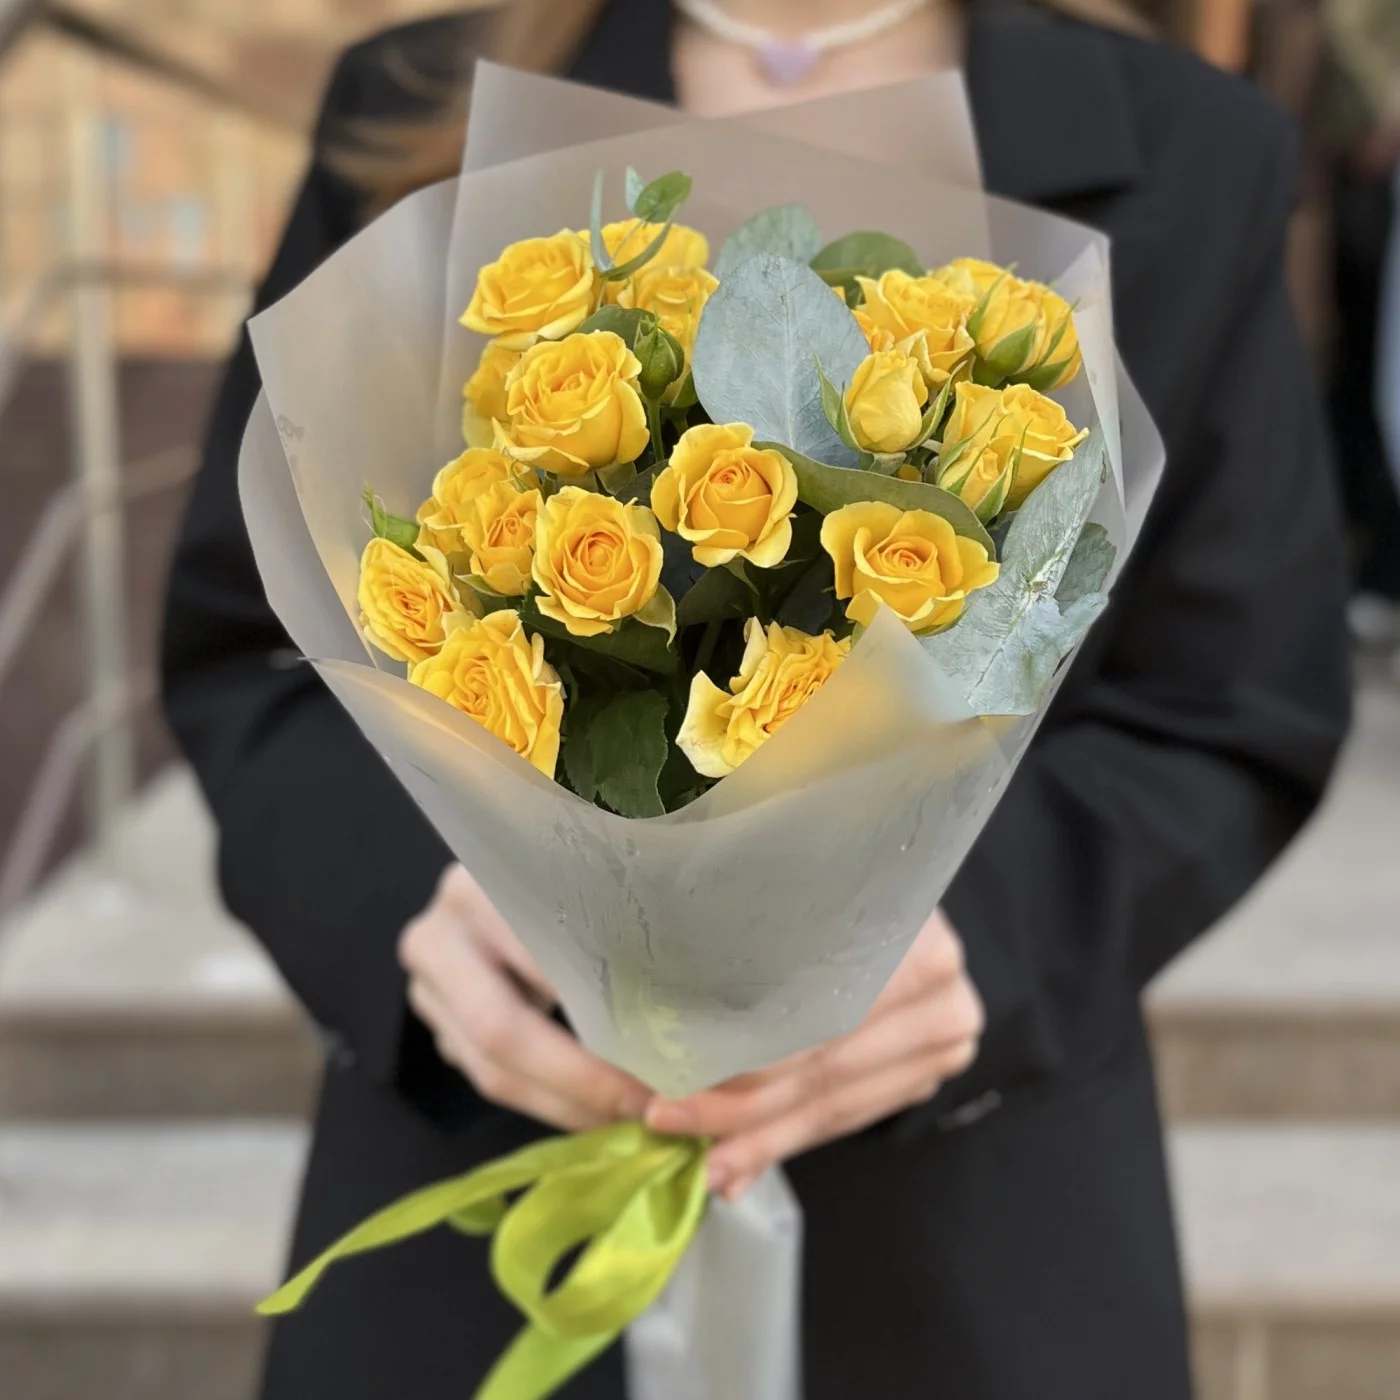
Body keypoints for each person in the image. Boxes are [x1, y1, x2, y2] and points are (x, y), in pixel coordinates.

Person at [161, 2, 1352, 1397]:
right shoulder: (416, 95)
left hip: (966, 1231)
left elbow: (1233, 703)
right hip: (495, 1165)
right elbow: (251, 651)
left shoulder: (1191, 148)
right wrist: (413, 914)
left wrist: (982, 941)